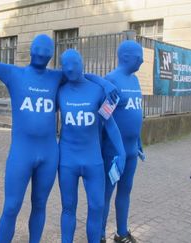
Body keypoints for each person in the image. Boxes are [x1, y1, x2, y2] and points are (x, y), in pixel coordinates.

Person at [0, 8, 117, 243]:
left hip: (49, 154)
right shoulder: (13, 73)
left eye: (46, 50)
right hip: (21, 153)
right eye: (38, 48)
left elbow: (81, 74)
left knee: (40, 206)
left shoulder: (57, 76)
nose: (41, 53)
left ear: (50, 55)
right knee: (11, 207)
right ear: (31, 51)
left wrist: (105, 84)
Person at [57, 49, 126, 243]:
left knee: (96, 207)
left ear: (82, 62)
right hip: (67, 161)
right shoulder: (59, 90)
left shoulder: (96, 90)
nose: (70, 68)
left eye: (74, 63)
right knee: (68, 208)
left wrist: (121, 152)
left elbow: (110, 124)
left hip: (93, 160)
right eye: (65, 65)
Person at [87, 40, 145, 243]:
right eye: (139, 56)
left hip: (131, 151)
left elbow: (136, 113)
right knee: (106, 194)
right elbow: (104, 119)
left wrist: (138, 140)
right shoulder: (111, 81)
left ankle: (121, 233)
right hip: (113, 152)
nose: (143, 60)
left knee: (126, 190)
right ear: (127, 57)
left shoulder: (135, 81)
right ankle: (99, 234)